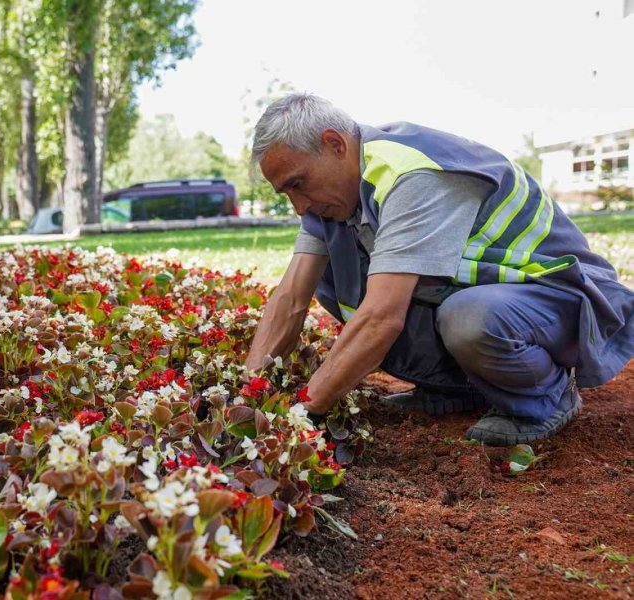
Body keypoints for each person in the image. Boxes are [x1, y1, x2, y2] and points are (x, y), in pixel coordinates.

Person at [245, 93, 634, 446]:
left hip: (565, 301)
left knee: (467, 318)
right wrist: (245, 394)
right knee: (331, 277)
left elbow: (381, 317)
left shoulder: (411, 174)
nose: (298, 206)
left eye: (299, 184)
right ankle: (460, 389)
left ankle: (546, 396)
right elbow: (291, 298)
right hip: (506, 302)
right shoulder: (334, 200)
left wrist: (303, 414)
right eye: (287, 193)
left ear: (334, 144)